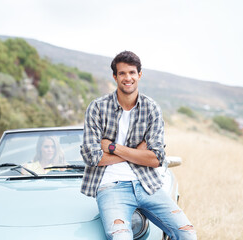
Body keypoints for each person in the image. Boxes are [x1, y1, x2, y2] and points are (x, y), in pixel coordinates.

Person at [80, 51, 197, 239]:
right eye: (123, 73)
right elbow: (92, 157)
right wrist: (138, 152)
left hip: (147, 184)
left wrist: (112, 147)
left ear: (139, 75)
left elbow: (156, 158)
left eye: (132, 73)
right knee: (120, 237)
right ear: (115, 77)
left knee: (187, 233)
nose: (128, 78)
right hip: (111, 187)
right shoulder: (97, 108)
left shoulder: (151, 109)